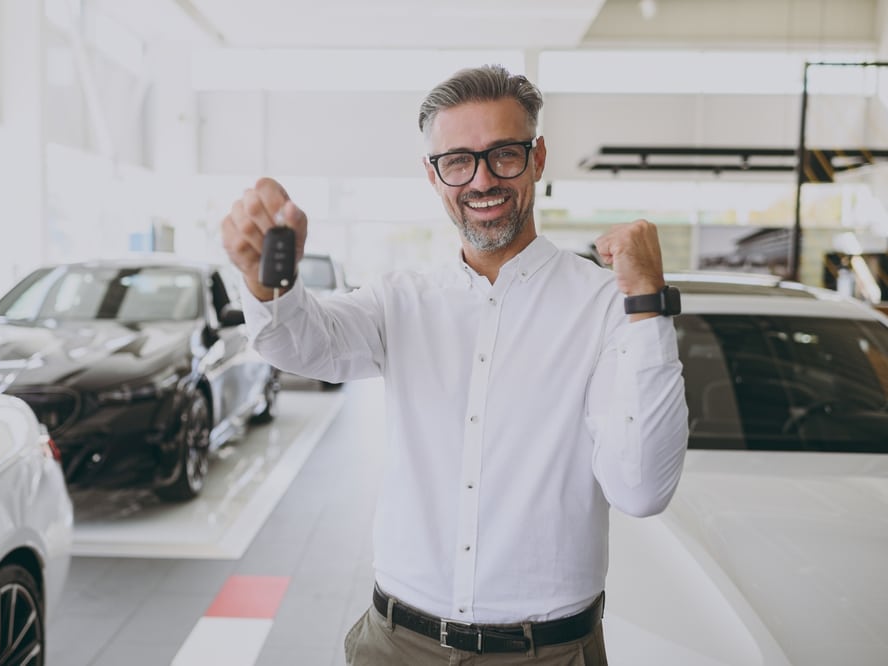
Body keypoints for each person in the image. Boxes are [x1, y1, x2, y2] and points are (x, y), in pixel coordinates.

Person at [221, 64, 688, 665]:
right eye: (458, 161)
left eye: (504, 155)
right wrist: (266, 284)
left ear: (538, 157)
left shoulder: (604, 305)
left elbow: (642, 488)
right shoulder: (401, 296)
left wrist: (648, 304)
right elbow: (304, 344)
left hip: (546, 655)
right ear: (433, 175)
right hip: (396, 645)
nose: (482, 180)